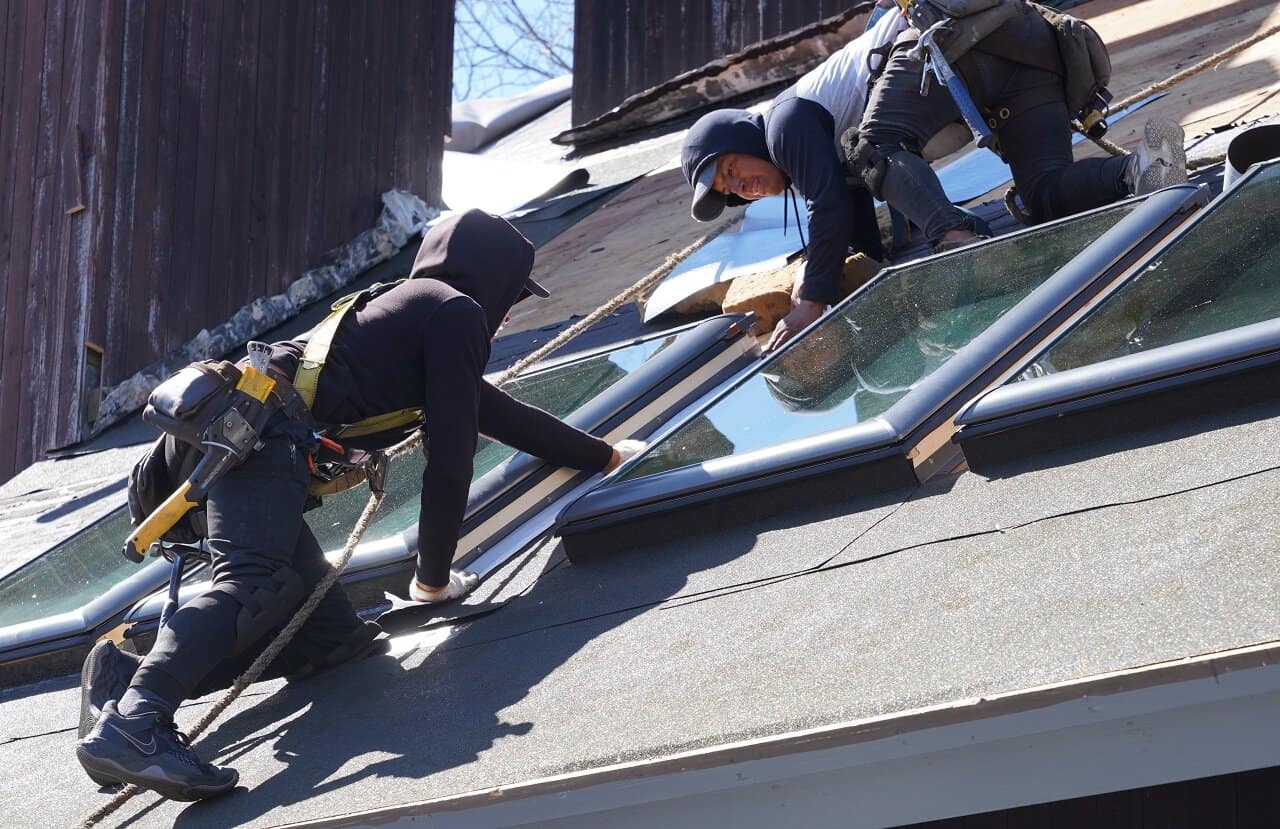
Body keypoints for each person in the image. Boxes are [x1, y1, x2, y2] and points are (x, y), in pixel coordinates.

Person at [76, 210, 641, 801]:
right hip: (253, 439)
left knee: (332, 642)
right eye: (512, 295)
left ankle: (125, 681)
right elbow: (451, 458)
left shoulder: (407, 307)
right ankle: (136, 725)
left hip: (234, 439)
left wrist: (602, 457)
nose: (508, 311)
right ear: (495, 278)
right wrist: (432, 580)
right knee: (249, 582)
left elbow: (492, 413)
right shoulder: (455, 311)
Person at [844, 0, 1187, 253]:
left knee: (873, 146)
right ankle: (1139, 166)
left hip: (947, 41)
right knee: (1043, 190)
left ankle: (956, 238)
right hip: (1029, 40)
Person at [680, 8, 908, 353]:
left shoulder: (784, 125)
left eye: (730, 170)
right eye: (730, 191)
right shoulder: (814, 157)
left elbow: (829, 207)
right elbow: (854, 230)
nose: (740, 186)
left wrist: (810, 303)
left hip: (924, 32)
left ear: (743, 141)